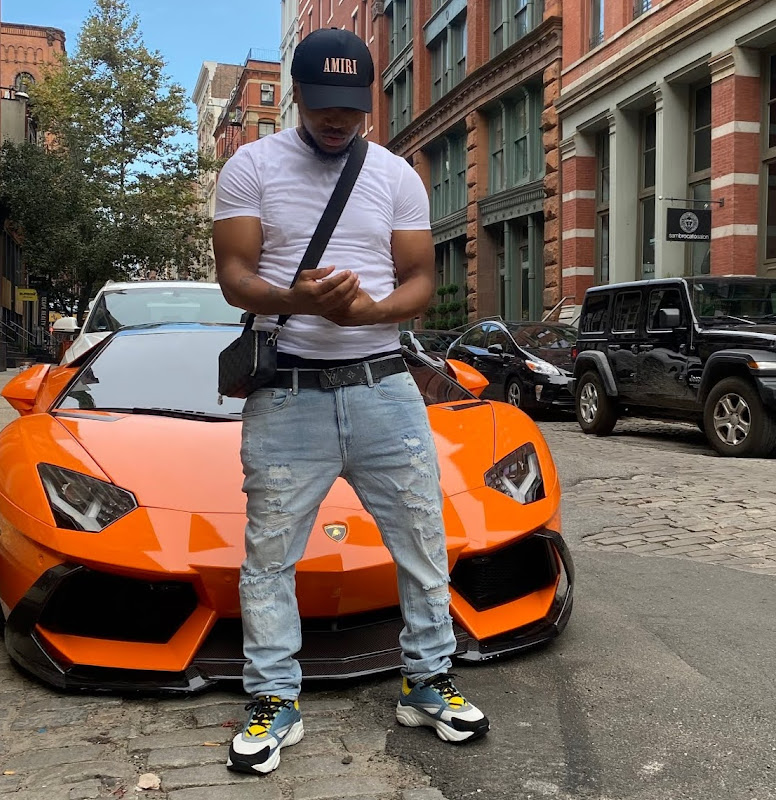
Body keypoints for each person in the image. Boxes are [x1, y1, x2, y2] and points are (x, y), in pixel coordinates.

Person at [212, 27, 489, 776]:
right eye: (322, 104)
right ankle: (275, 698)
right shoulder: (251, 166)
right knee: (269, 558)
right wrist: (296, 298)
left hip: (384, 386)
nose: (337, 120)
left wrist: (367, 312)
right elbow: (234, 276)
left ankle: (427, 682)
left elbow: (420, 281)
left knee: (423, 544)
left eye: (351, 107)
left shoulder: (396, 175)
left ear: (369, 100)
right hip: (288, 392)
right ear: (296, 95)